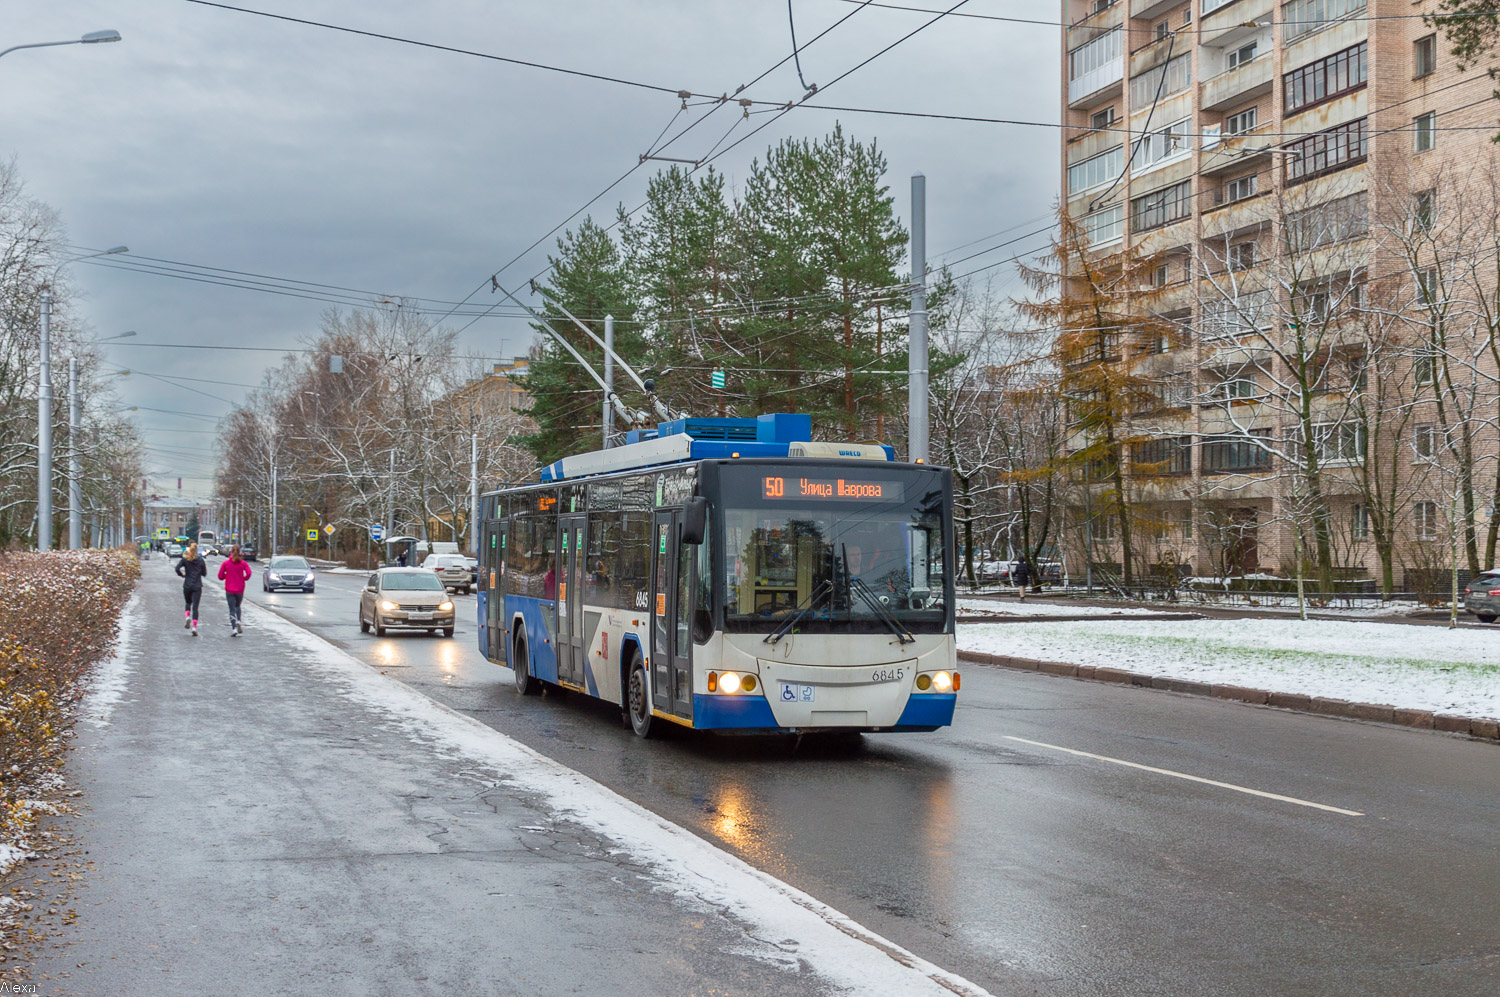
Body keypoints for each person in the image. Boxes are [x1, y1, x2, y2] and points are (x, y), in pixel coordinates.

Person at [218, 545, 253, 636]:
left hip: (229, 589)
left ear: (231, 552)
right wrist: (244, 578)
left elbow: (220, 576)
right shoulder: (243, 563)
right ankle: (239, 621)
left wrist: (226, 576)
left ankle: (234, 628)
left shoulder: (226, 563)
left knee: (231, 609)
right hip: (240, 589)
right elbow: (249, 573)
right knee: (238, 606)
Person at [175, 542, 208, 636]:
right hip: (197, 586)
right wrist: (199, 572)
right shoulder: (201, 560)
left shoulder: (185, 560)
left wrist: (182, 575)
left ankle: (187, 617)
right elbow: (204, 573)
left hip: (187, 585)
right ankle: (194, 627)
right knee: (196, 607)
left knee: (188, 602)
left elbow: (177, 568)